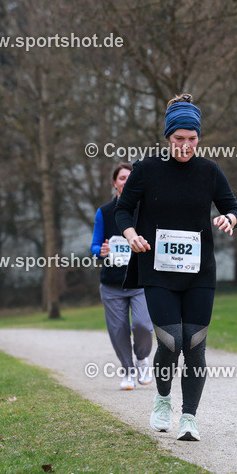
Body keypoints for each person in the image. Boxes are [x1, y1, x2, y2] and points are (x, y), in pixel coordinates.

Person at [116, 94, 237, 441]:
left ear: (198, 138)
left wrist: (229, 219)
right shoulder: (146, 169)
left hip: (200, 272)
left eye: (191, 139)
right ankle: (162, 400)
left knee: (195, 342)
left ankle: (189, 417)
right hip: (158, 271)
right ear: (168, 137)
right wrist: (130, 235)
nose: (185, 146)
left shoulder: (209, 171)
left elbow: (234, 207)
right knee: (171, 342)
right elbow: (122, 209)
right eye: (178, 140)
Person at [91, 162, 154, 390]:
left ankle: (142, 359)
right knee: (118, 331)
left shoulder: (145, 209)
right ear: (114, 183)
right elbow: (95, 246)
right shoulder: (104, 212)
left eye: (130, 178)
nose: (125, 182)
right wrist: (101, 251)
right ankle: (128, 371)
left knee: (142, 326)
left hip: (140, 281)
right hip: (112, 284)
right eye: (121, 178)